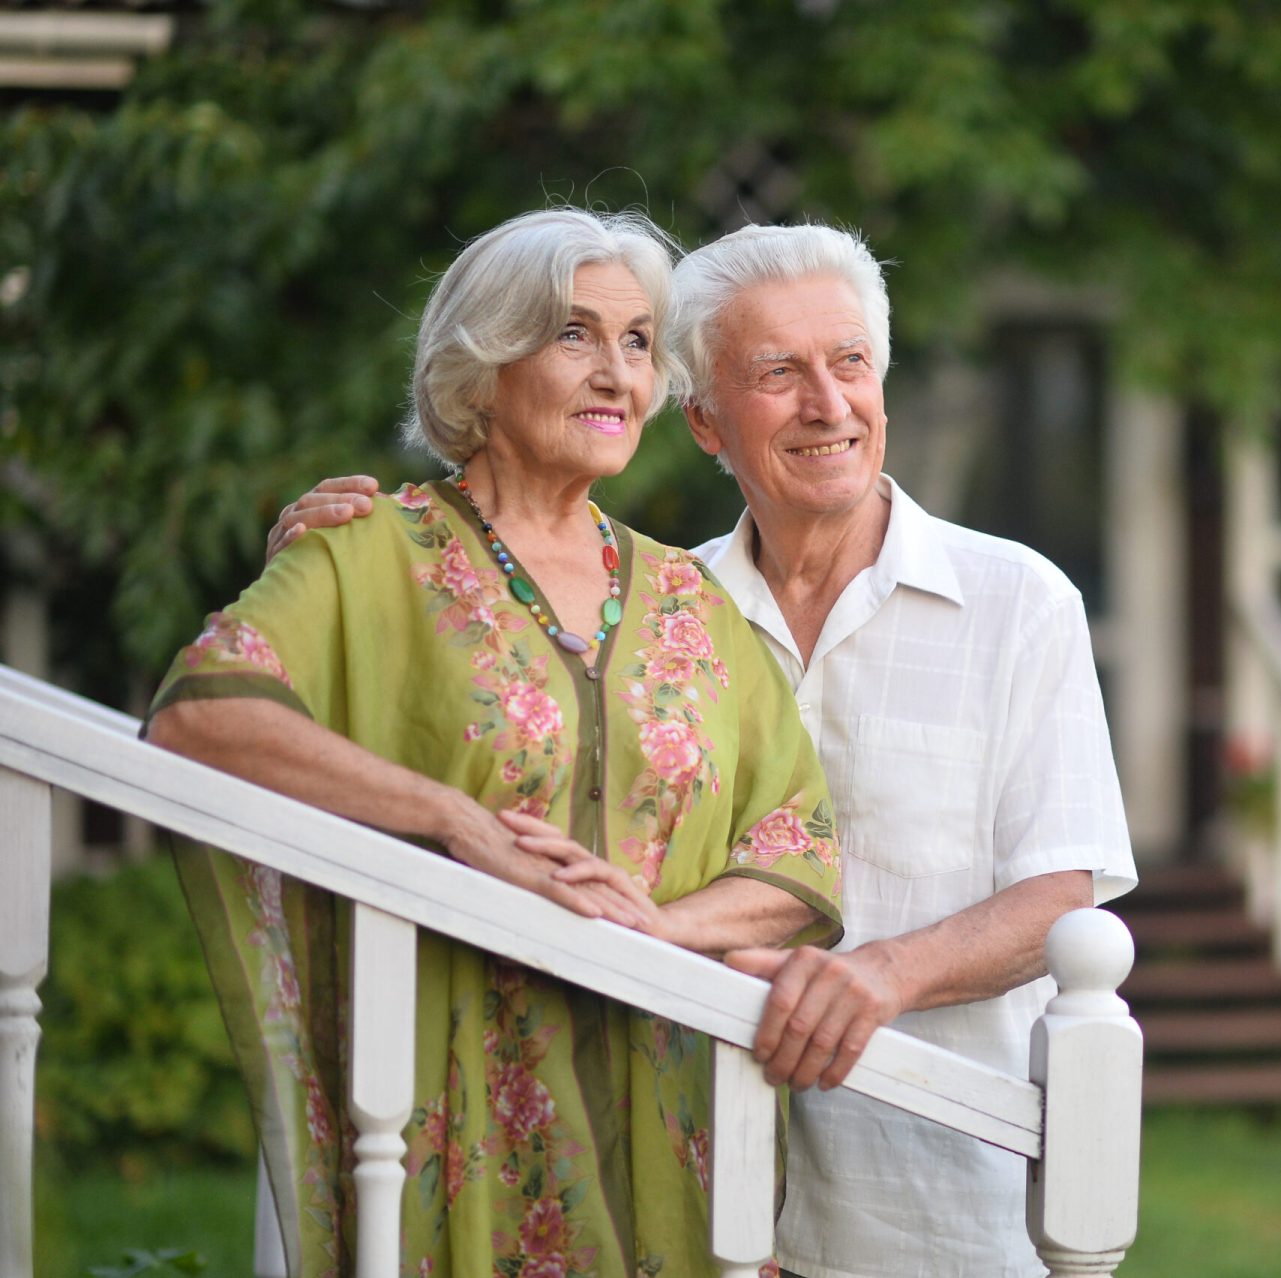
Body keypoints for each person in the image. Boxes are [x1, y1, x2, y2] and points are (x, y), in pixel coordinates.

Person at [275, 222, 1138, 1278]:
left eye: (851, 363)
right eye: (778, 372)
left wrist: (884, 975)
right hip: (686, 1196)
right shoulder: (651, 614)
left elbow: (1063, 897)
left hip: (931, 1199)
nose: (828, 404)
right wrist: (316, 594)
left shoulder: (1018, 601)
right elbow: (476, 761)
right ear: (702, 421)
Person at [149, 208, 843, 1278]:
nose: (615, 371)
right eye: (573, 335)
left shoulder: (689, 598)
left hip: (665, 1102)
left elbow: (798, 845)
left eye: (638, 342)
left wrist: (657, 931)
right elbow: (202, 720)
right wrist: (460, 823)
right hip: (450, 1086)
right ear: (482, 365)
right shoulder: (372, 550)